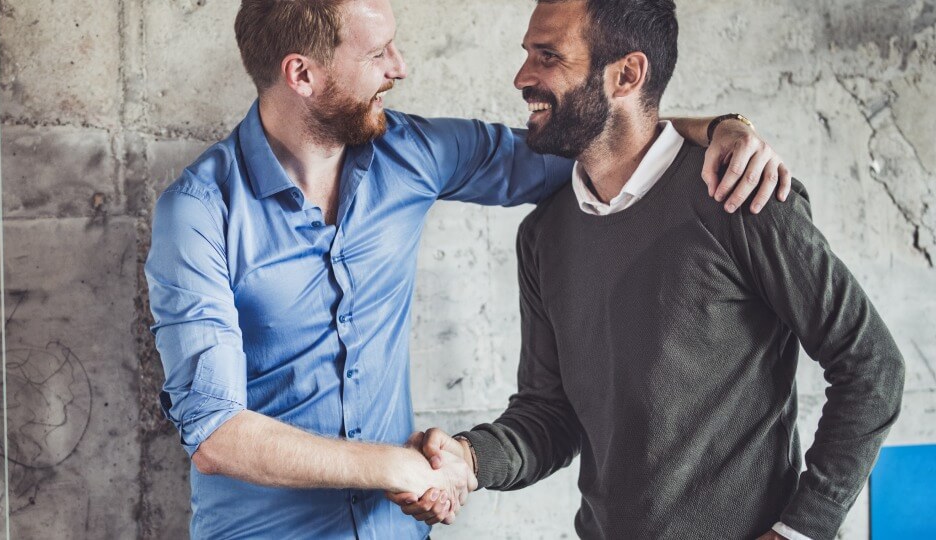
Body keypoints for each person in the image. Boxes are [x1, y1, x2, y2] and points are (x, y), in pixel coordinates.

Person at [146, 0, 793, 537]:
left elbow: (596, 141)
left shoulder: (411, 152)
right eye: (377, 55)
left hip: (396, 527)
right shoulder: (198, 215)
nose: (400, 68)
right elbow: (217, 434)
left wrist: (722, 127)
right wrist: (396, 470)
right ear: (302, 74)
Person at [391, 0, 905, 538]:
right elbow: (549, 416)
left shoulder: (739, 195)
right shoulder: (543, 235)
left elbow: (873, 366)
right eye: (528, 55)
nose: (523, 77)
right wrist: (467, 461)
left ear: (626, 75)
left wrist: (803, 528)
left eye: (548, 56)